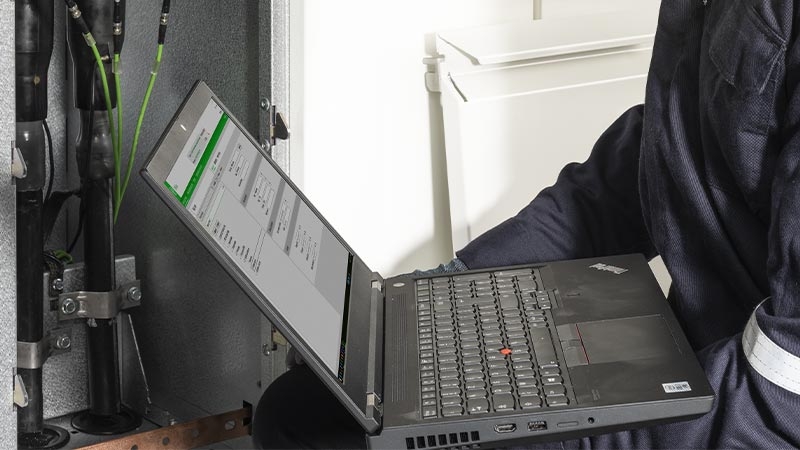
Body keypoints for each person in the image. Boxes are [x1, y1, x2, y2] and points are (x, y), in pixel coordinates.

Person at [253, 1, 800, 448]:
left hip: (740, 407)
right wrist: (438, 292)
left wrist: (545, 433)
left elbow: (779, 400)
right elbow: (632, 177)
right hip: (691, 359)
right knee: (302, 408)